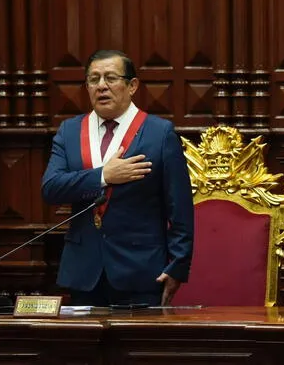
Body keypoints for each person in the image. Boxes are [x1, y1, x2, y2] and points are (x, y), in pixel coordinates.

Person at [41, 49, 194, 307]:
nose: (101, 86)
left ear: (132, 85)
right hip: (83, 271)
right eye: (94, 79)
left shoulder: (159, 133)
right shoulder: (70, 131)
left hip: (141, 270)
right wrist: (104, 176)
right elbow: (51, 188)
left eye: (111, 78)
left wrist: (178, 265)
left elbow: (179, 208)